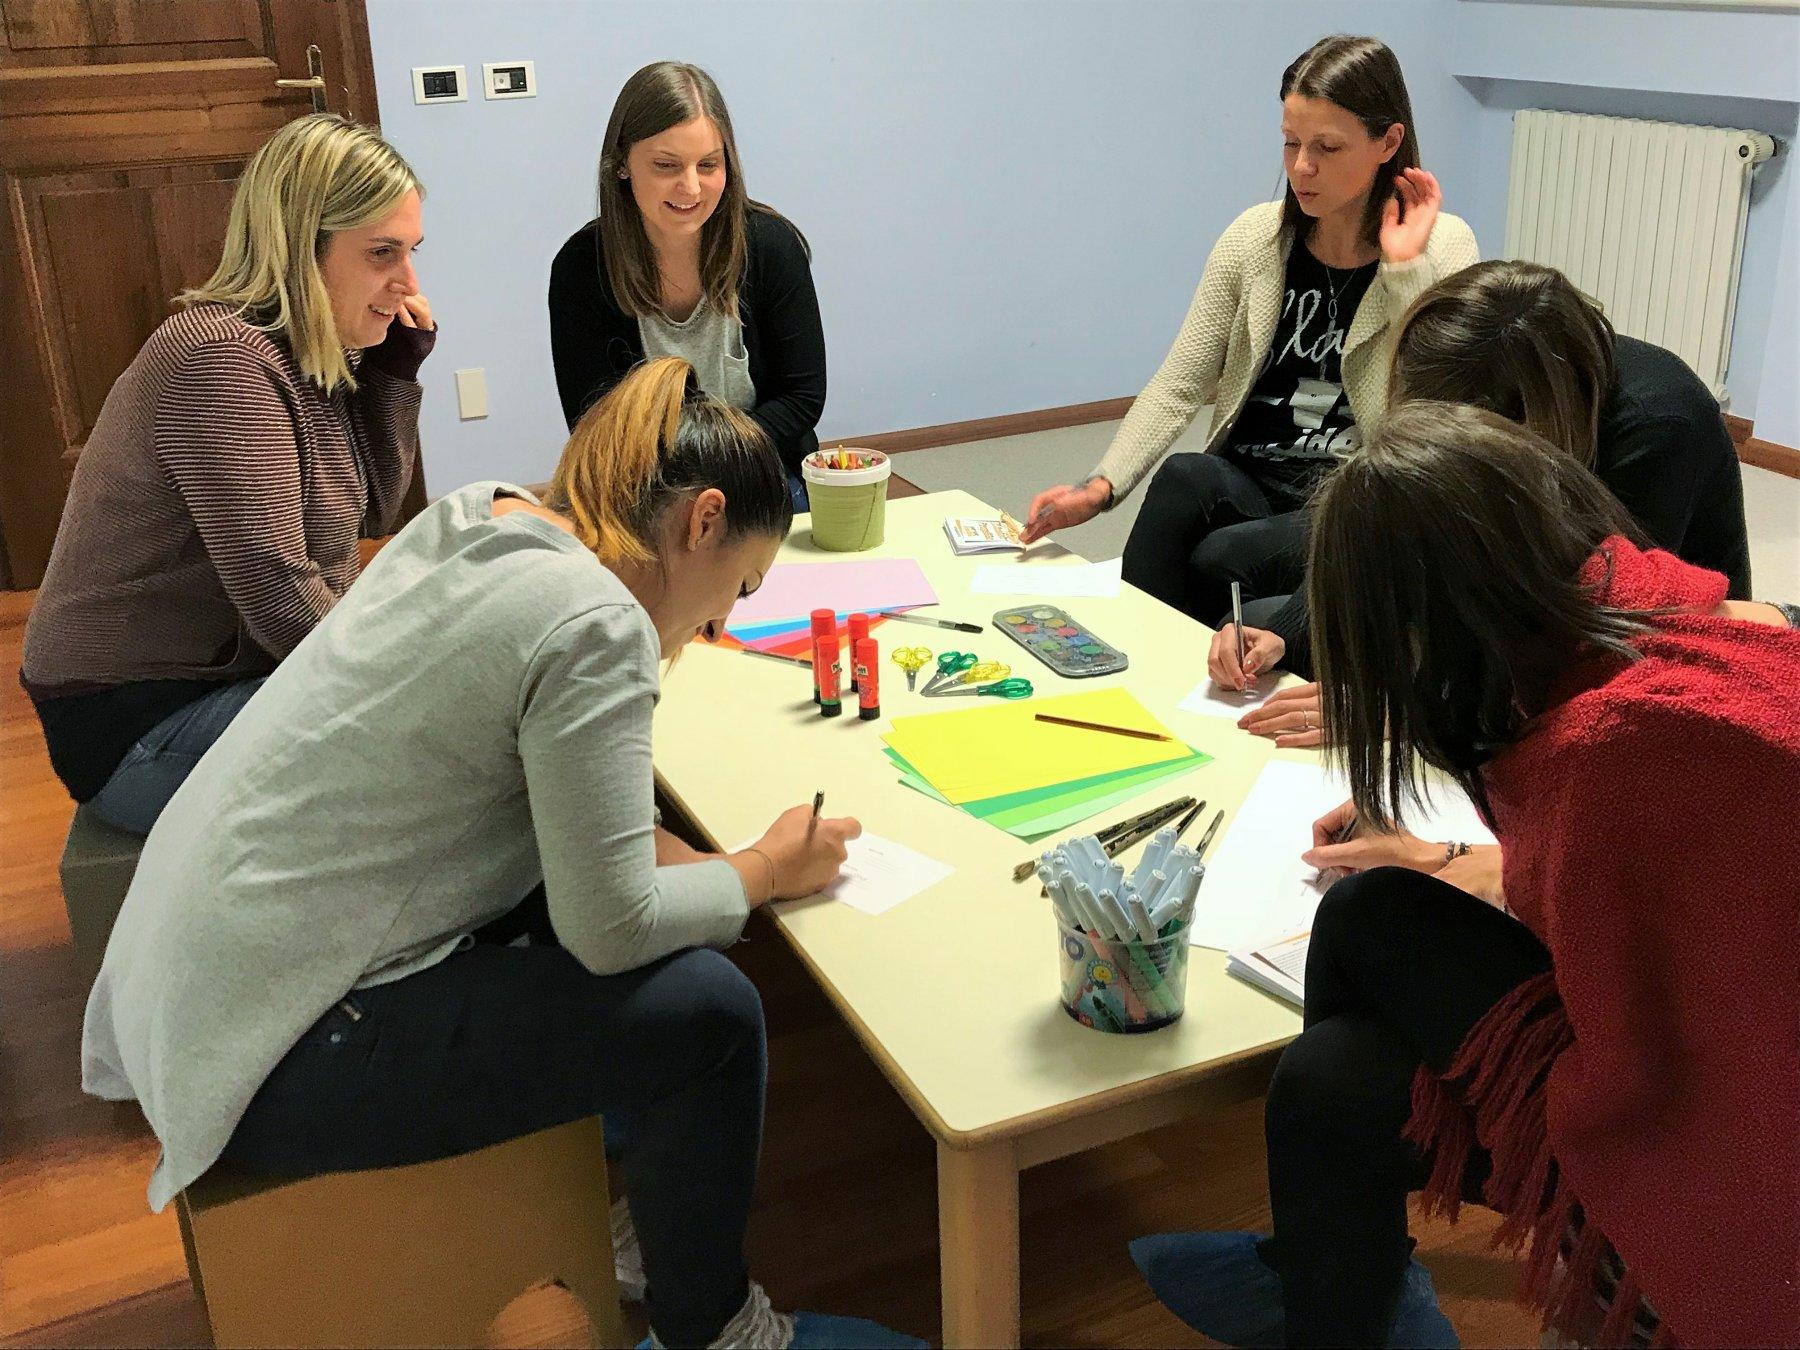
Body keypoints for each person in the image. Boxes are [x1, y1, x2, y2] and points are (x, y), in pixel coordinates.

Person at [81, 358, 922, 1350]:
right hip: (275, 1055)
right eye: (734, 589)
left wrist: (714, 871)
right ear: (700, 522)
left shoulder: (487, 519)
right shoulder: (593, 624)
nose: (719, 625)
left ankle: (650, 1218)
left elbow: (543, 813)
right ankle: (716, 1326)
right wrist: (762, 873)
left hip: (192, 988)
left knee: (650, 923)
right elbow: (609, 928)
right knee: (715, 1013)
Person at [1131, 403, 1798, 1348]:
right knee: (1339, 1033)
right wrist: (1434, 850)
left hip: (1738, 1185)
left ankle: (1335, 1291)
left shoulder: (1619, 755)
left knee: (1343, 1045)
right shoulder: (1680, 631)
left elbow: (1639, 1001)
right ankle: (1333, 1287)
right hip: (1731, 1061)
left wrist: (1445, 846)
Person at [20, 113, 434, 834]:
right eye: (381, 254)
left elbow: (369, 514)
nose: (407, 282)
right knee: (442, 759)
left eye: (411, 252)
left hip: (216, 681)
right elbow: (281, 598)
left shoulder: (308, 351)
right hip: (136, 721)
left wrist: (394, 370)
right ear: (304, 250)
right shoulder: (222, 362)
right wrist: (426, 684)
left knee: (458, 728)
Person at [1018, 33, 1477, 630]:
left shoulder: (1444, 246)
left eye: (1327, 148)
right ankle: (1128, 656)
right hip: (1255, 477)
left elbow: (1440, 407)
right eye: (1291, 143)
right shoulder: (1254, 239)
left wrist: (1404, 270)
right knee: (1185, 478)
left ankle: (1218, 660)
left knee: (1218, 559)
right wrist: (1099, 487)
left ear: (1387, 142)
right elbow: (1181, 382)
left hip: (1355, 497)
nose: (1301, 167)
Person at [1216, 258, 1759, 748]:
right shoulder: (1515, 390)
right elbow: (1410, 531)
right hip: (1514, 605)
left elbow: (1582, 642)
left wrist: (1400, 713)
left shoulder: (1661, 426)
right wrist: (1286, 631)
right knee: (1272, 627)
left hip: (1635, 664)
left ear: (1516, 424)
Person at [550, 61, 825, 512]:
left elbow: (802, 399)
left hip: (759, 476)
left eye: (709, 164)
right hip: (642, 489)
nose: (692, 187)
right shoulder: (581, 267)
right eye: (666, 165)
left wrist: (716, 465)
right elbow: (593, 423)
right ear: (622, 163)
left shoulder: (772, 247)